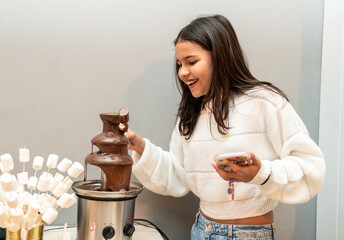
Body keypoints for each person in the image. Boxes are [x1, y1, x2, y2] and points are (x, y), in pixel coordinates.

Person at [127, 14, 325, 240]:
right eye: (180, 64)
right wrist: (142, 149)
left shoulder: (266, 102)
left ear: (220, 57)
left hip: (248, 234)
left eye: (192, 62)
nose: (182, 72)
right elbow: (181, 175)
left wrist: (261, 174)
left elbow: (311, 167)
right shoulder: (192, 114)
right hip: (201, 229)